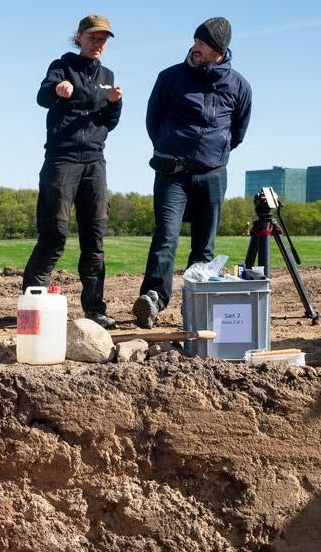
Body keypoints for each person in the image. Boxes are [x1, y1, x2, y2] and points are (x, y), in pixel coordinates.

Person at [133, 17, 252, 329]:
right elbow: (153, 121)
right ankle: (153, 298)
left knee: (204, 247)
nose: (194, 47)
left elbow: (237, 132)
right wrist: (171, 148)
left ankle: (196, 306)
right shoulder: (170, 78)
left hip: (213, 175)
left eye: (203, 44)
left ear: (219, 51)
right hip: (172, 173)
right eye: (196, 40)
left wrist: (214, 153)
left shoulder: (239, 85)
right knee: (166, 236)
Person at [22, 14, 124, 329]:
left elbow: (110, 123)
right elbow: (42, 98)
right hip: (62, 159)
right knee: (55, 233)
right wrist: (57, 88)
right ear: (79, 37)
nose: (98, 44)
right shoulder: (61, 66)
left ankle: (95, 309)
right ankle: (33, 303)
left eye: (103, 39)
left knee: (95, 236)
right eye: (93, 37)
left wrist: (115, 103)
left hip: (95, 160)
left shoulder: (107, 75)